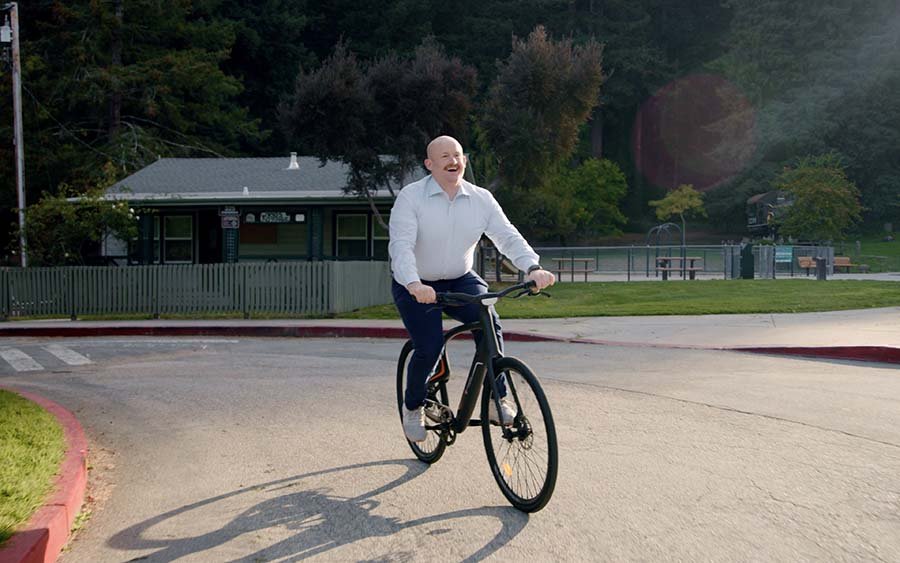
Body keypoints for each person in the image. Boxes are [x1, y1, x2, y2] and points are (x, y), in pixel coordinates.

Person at [389, 135, 555, 443]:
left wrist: (532, 267)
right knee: (428, 346)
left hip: (461, 278)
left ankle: (496, 399)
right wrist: (413, 283)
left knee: (489, 322)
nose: (453, 161)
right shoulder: (411, 198)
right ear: (430, 165)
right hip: (416, 283)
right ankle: (413, 406)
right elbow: (401, 246)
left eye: (458, 155)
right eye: (445, 157)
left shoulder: (481, 199)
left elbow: (507, 236)